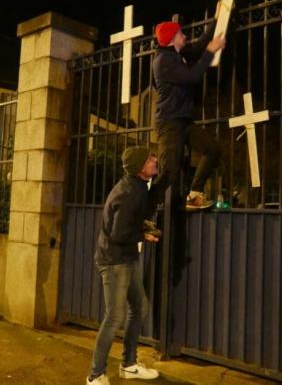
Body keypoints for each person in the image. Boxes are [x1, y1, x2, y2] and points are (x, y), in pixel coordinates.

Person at [87, 146, 161, 385]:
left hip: (126, 258)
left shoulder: (137, 186)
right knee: (114, 317)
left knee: (139, 308)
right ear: (141, 167)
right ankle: (95, 375)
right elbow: (119, 233)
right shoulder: (130, 193)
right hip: (114, 260)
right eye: (151, 159)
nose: (155, 161)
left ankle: (128, 364)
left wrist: (140, 230)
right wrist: (144, 235)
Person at [150, 12, 226, 212]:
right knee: (168, 172)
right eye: (180, 33)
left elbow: (200, 45)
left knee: (212, 149)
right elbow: (192, 76)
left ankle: (194, 194)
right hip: (169, 123)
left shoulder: (177, 54)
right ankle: (143, 211)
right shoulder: (163, 61)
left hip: (183, 121)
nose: (184, 36)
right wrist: (210, 52)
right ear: (171, 39)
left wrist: (217, 18)